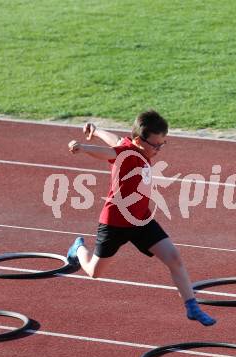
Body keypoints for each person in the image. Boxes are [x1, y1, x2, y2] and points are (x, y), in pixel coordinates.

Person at [67, 110, 216, 326]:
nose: (158, 150)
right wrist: (83, 148)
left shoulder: (136, 147)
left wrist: (96, 130)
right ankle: (77, 248)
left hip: (140, 219)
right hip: (115, 222)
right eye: (156, 145)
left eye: (163, 144)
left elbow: (117, 140)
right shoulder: (127, 154)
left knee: (174, 258)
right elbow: (109, 152)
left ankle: (192, 306)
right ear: (139, 140)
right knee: (94, 272)